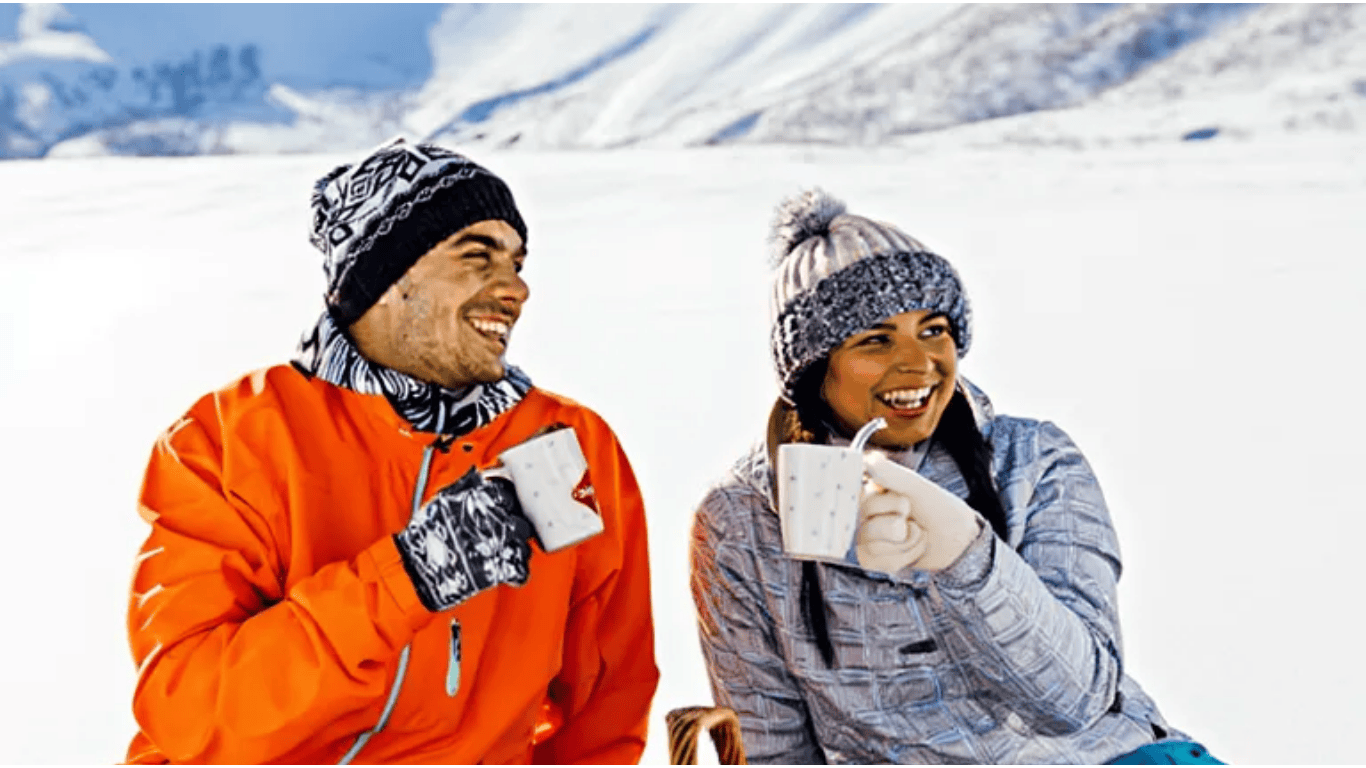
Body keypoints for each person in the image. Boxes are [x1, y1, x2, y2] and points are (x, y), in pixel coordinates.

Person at [125, 139, 659, 764]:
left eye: (516, 262)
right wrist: (411, 576)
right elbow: (194, 713)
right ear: (386, 279)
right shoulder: (232, 437)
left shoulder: (567, 445)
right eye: (477, 257)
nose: (515, 287)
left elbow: (605, 709)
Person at [689, 189, 1221, 764]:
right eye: (876, 339)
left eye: (933, 330)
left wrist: (966, 556)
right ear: (812, 369)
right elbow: (775, 749)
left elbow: (1081, 699)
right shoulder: (741, 520)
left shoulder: (1035, 461)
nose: (918, 364)